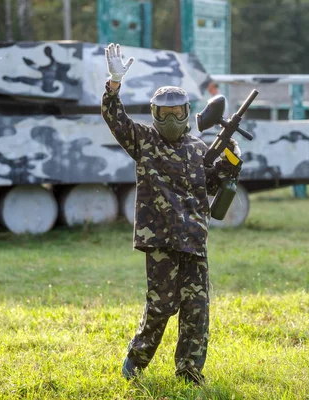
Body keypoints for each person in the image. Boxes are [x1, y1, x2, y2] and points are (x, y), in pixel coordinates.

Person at [101, 43, 241, 385]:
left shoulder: (197, 148)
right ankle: (137, 358)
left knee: (197, 310)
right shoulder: (144, 141)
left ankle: (190, 371)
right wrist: (114, 85)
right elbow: (114, 119)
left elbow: (211, 184)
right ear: (153, 114)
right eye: (163, 112)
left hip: (194, 239)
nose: (171, 118)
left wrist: (232, 159)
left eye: (177, 112)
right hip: (160, 239)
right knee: (161, 306)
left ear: (187, 112)